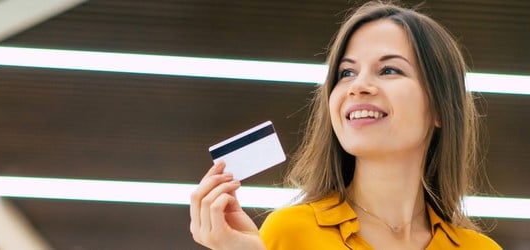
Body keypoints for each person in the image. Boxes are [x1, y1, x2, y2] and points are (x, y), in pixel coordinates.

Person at [190, 1, 501, 249]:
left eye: (389, 70)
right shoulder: (289, 234)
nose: (358, 86)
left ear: (441, 107)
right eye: (346, 73)